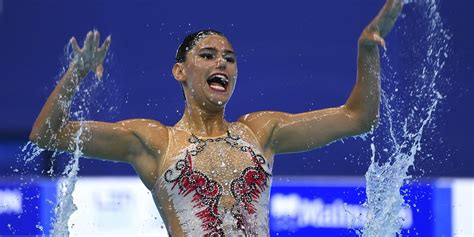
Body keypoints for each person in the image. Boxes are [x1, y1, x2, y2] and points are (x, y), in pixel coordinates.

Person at [29, 0, 403, 236]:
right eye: (207, 55)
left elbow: (358, 117)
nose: (221, 61)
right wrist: (76, 73)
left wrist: (367, 48)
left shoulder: (261, 132)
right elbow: (48, 134)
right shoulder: (156, 142)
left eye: (229, 57)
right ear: (179, 71)